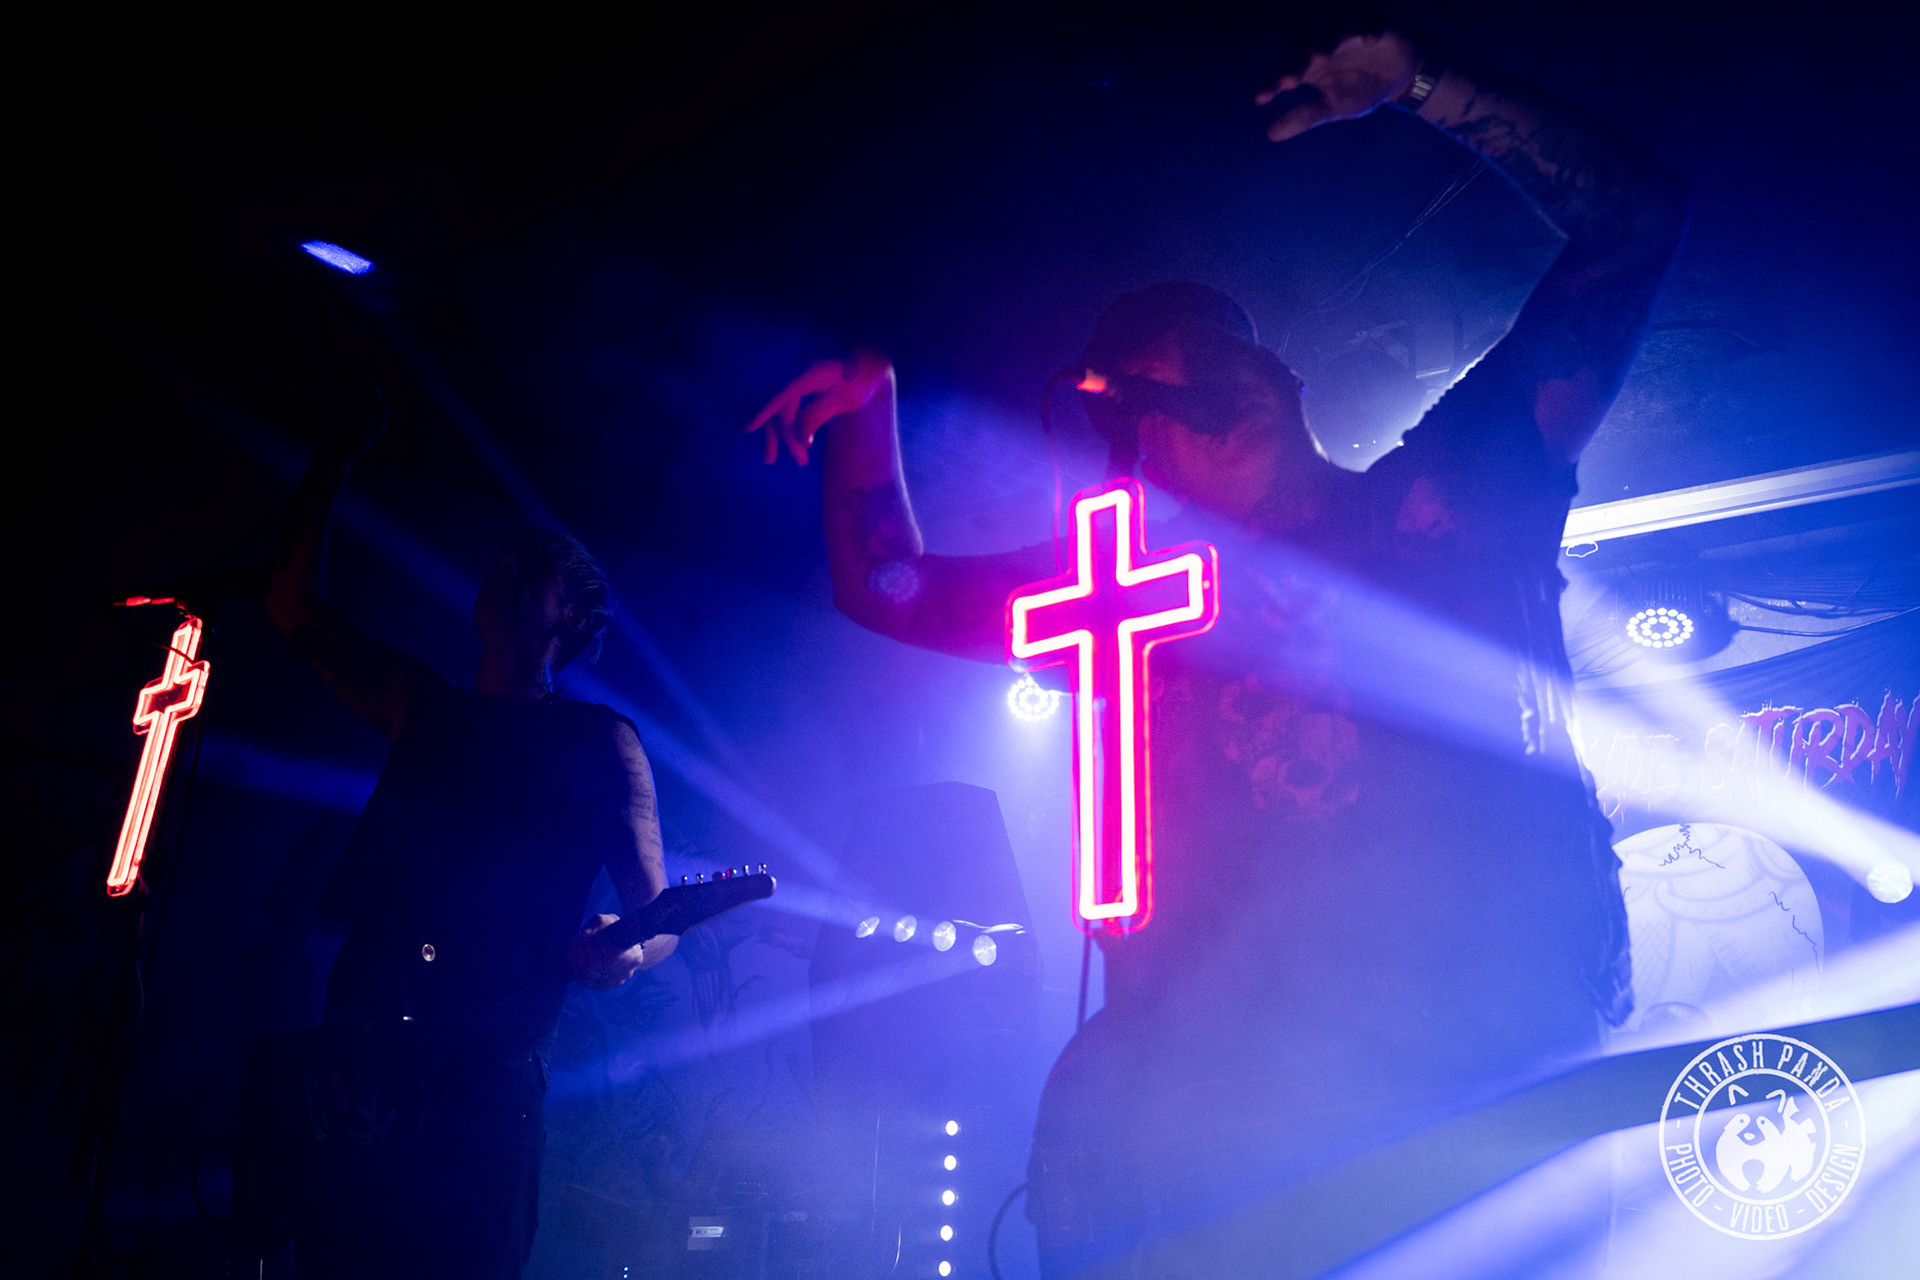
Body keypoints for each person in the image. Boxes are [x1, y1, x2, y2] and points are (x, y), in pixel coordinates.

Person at [747, 27, 1687, 1277]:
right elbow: (887, 587)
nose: (1188, 399)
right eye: (1142, 397)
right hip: (1225, 1142)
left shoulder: (1439, 507)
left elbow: (1635, 226)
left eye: (1211, 365)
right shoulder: (1124, 601)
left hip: (1479, 1094)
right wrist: (870, 408)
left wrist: (1419, 87)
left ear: (1278, 377)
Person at [261, 406, 678, 1279]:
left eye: (534, 571)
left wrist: (624, 950)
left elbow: (660, 917)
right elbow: (292, 606)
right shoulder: (426, 707)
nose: (506, 573)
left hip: (483, 1082)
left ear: (573, 620)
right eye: (502, 563)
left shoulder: (598, 742)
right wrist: (332, 457)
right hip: (358, 1065)